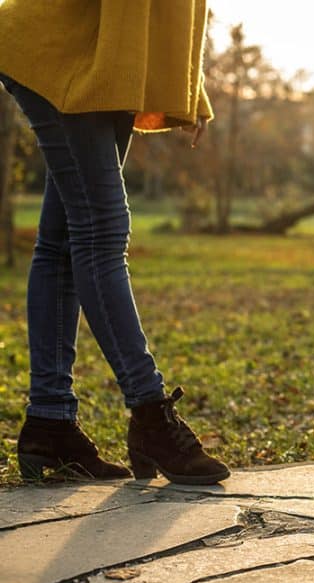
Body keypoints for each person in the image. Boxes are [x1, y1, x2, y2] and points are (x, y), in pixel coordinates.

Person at [0, 0, 230, 484]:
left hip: (111, 68)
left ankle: (50, 424)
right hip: (68, 55)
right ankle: (149, 413)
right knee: (102, 232)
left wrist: (192, 88)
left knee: (63, 241)